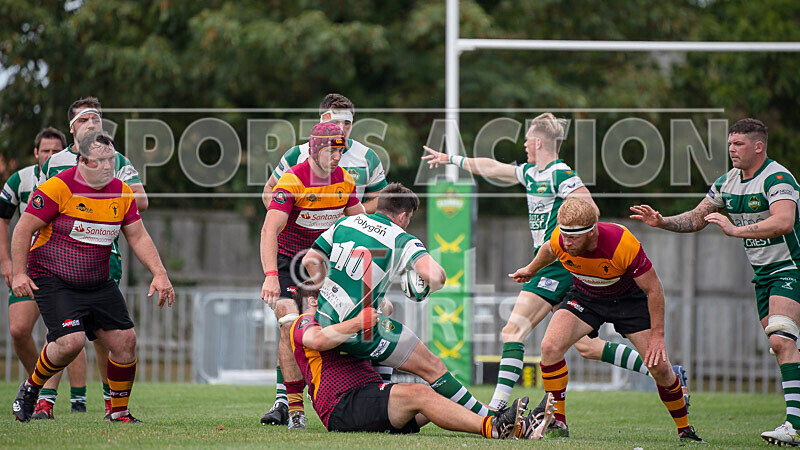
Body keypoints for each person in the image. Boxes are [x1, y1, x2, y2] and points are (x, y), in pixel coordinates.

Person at [421, 112, 687, 431]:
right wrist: (451, 158)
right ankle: (666, 374)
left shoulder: (560, 173)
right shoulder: (533, 173)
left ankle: (494, 409)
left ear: (537, 141)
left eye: (526, 141)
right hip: (553, 263)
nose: (523, 146)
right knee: (586, 348)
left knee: (513, 330)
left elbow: (590, 209)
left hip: (561, 264)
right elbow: (494, 168)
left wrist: (563, 235)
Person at [630, 118, 798, 445]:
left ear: (758, 146)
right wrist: (662, 221)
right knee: (783, 346)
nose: (732, 149)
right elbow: (697, 216)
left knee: (780, 340)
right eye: (730, 143)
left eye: (739, 144)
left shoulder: (778, 178)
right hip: (763, 276)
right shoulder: (727, 183)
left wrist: (735, 230)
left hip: (791, 266)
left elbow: (784, 221)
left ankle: (794, 425)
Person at [301, 183, 503, 420]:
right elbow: (435, 277)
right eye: (409, 218)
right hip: (359, 333)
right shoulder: (402, 238)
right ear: (404, 215)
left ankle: (383, 389)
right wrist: (429, 284)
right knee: (432, 366)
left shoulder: (345, 223)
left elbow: (310, 259)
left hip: (325, 323)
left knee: (386, 312)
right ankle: (490, 417)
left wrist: (331, 289)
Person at [11, 131, 174, 423]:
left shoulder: (122, 192)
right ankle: (30, 389)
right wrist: (19, 272)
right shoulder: (58, 186)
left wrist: (160, 273)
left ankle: (119, 413)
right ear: (82, 161)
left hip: (97, 281)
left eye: (111, 160)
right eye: (100, 161)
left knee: (126, 341)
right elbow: (23, 229)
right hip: (53, 277)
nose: (108, 166)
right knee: (70, 343)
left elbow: (137, 236)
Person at [509, 197, 703, 443]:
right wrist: (530, 269)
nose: (566, 242)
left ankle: (685, 430)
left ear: (592, 232)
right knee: (550, 347)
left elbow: (654, 289)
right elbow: (548, 249)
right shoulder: (562, 238)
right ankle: (558, 421)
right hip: (586, 296)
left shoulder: (622, 244)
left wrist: (658, 336)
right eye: (564, 235)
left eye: (573, 237)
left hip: (626, 300)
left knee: (660, 369)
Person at [260, 94, 389, 425]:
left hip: (324, 264)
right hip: (290, 262)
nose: (337, 156)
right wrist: (271, 275)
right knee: (291, 323)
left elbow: (361, 225)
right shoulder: (294, 178)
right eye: (331, 150)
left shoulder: (346, 179)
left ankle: (372, 385)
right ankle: (293, 407)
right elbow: (268, 230)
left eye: (341, 150)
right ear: (314, 149)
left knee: (363, 315)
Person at [288, 280, 540, 440]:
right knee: (420, 393)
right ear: (313, 300)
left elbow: (384, 310)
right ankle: (494, 428)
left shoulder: (338, 321)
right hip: (341, 406)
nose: (338, 296)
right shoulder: (305, 321)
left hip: (364, 398)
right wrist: (357, 321)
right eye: (331, 292)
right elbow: (317, 340)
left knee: (440, 395)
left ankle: (512, 424)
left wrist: (371, 298)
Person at [35, 96, 149, 420]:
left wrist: (110, 185)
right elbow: (40, 208)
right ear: (73, 127)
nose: (92, 124)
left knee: (108, 336)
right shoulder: (55, 162)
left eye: (96, 119)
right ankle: (44, 399)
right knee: (60, 333)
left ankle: (113, 404)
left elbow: (141, 200)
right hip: (60, 258)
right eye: (85, 120)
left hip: (104, 256)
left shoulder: (116, 159)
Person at [0, 127, 90, 417]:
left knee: (68, 333)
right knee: (18, 329)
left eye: (55, 150)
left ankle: (72, 400)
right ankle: (35, 384)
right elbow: (4, 219)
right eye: (45, 150)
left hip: (63, 267)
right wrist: (8, 263)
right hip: (29, 267)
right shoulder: (21, 179)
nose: (50, 155)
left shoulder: (77, 176)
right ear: (36, 153)